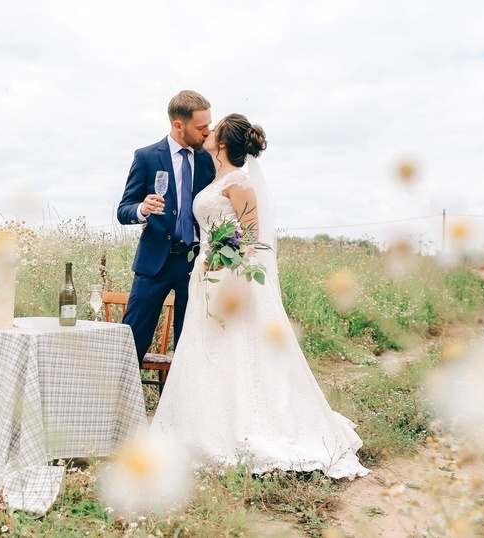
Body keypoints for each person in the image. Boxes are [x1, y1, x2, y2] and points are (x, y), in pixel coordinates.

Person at [150, 114, 370, 479]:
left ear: (222, 141)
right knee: (208, 353)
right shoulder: (216, 177)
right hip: (205, 278)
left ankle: (246, 427)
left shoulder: (239, 182)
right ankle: (202, 424)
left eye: (214, 127)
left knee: (238, 352)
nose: (208, 130)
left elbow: (251, 237)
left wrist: (221, 259)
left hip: (232, 279)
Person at [117, 90, 216, 365]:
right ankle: (121, 403)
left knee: (191, 345)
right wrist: (141, 209)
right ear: (178, 125)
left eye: (209, 124)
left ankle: (182, 407)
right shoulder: (147, 157)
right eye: (201, 127)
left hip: (195, 264)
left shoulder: (209, 159)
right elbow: (123, 210)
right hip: (153, 264)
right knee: (132, 339)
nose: (207, 132)